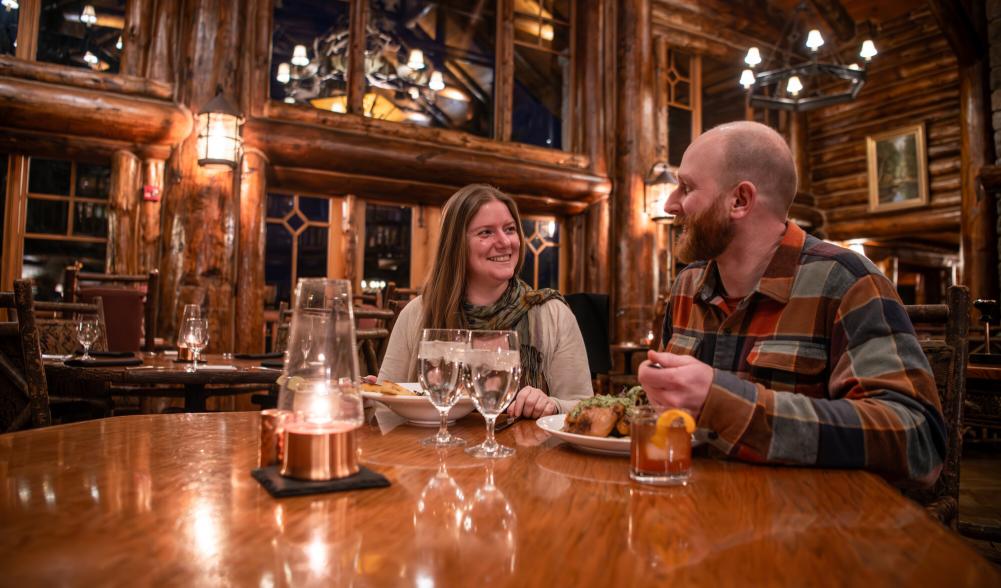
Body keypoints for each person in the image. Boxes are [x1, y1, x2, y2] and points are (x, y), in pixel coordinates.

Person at [638, 121, 945, 486]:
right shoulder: (687, 284)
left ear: (740, 200)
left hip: (810, 525)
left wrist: (725, 404)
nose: (671, 204)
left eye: (686, 187)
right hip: (694, 513)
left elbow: (919, 441)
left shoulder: (847, 281)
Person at [378, 184, 593, 417]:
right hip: (434, 451)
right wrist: (379, 397)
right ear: (456, 245)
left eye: (509, 229)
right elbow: (383, 402)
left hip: (528, 453)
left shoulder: (553, 314)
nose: (504, 242)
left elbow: (584, 408)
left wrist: (552, 405)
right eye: (486, 232)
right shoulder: (417, 313)